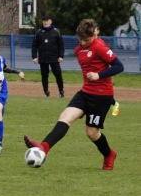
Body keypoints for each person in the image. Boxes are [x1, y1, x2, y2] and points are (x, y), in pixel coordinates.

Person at [24, 19, 124, 170]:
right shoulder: (78, 50)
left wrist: (99, 75)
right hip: (85, 92)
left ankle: (109, 154)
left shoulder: (100, 47)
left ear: (94, 35)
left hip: (101, 95)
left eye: (86, 40)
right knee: (65, 117)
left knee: (91, 133)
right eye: (80, 39)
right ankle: (44, 147)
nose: (83, 43)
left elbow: (119, 66)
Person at [31, 15, 65, 98]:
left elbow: (61, 45)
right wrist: (34, 56)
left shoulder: (56, 31)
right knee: (44, 75)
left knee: (58, 74)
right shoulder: (38, 32)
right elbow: (34, 45)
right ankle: (46, 92)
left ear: (51, 21)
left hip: (54, 58)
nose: (45, 22)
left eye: (47, 20)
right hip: (43, 58)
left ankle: (61, 91)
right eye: (44, 20)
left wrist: (61, 56)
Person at [94, 24, 119, 116]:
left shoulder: (100, 43)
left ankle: (114, 104)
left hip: (102, 72)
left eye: (95, 30)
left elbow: (108, 57)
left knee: (104, 91)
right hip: (94, 74)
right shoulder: (89, 44)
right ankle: (114, 103)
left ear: (98, 31)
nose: (93, 32)